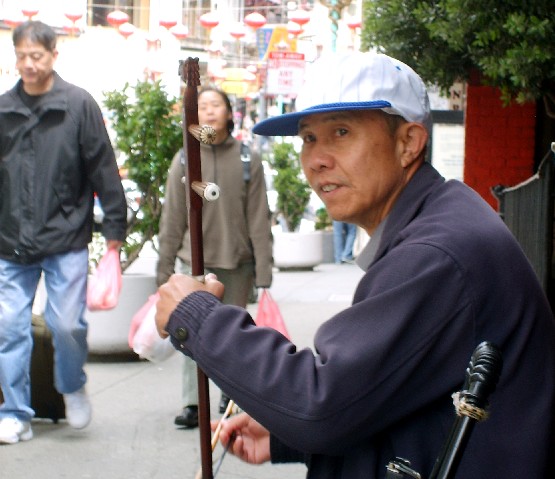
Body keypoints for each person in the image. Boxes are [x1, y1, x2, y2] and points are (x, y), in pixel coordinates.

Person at [154, 52, 555, 478]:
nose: (316, 159)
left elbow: (319, 401)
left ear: (408, 143)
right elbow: (384, 394)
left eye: (341, 132)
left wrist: (196, 318)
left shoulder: (437, 252)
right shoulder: (438, 220)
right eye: (308, 138)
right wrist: (286, 438)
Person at [0, 21, 127, 444]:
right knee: (8, 327)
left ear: (55, 55)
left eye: (36, 56)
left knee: (68, 324)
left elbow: (103, 167)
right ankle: (15, 411)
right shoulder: (4, 109)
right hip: (10, 240)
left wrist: (114, 227)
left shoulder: (78, 104)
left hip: (66, 238)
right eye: (21, 56)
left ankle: (71, 384)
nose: (28, 65)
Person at [156, 87, 273, 429]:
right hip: (192, 264)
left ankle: (228, 398)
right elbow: (173, 218)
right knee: (188, 331)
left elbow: (258, 216)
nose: (208, 112)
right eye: (202, 106)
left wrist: (263, 272)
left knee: (232, 335)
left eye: (215, 105)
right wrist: (163, 269)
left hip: (237, 263)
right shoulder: (184, 159)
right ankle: (193, 403)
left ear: (228, 112)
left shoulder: (248, 157)